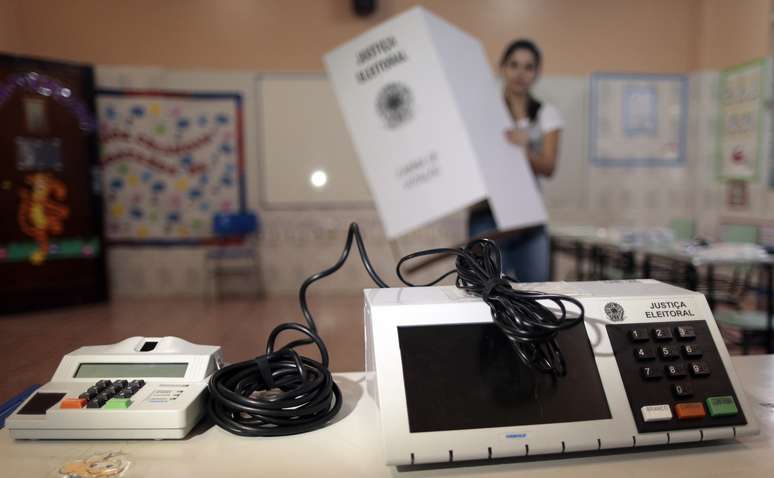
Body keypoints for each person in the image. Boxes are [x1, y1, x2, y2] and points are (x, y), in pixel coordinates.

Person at [468, 39, 563, 282]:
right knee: (486, 291)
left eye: (529, 67)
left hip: (528, 217)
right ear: (502, 68)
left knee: (536, 292)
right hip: (487, 214)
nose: (520, 73)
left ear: (537, 73)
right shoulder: (483, 111)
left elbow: (549, 166)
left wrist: (523, 150)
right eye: (514, 65)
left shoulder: (545, 113)